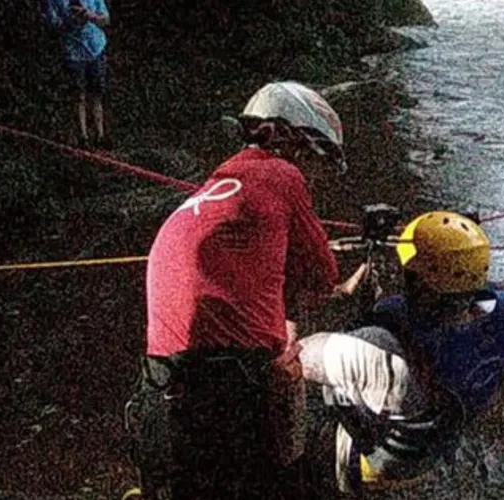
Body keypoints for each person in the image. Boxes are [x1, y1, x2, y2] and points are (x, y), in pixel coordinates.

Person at [124, 81, 365, 500]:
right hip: (228, 384)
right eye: (314, 159)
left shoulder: (216, 185)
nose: (313, 174)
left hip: (159, 383)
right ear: (289, 140)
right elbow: (322, 275)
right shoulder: (282, 175)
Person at [298, 211, 504, 496]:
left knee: (318, 397)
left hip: (380, 465)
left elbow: (298, 357)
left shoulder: (379, 346)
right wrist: (456, 245)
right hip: (437, 447)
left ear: (417, 283)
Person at [42, 0, 111, 147]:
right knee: (78, 94)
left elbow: (105, 19)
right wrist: (70, 20)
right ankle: (83, 136)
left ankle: (100, 135)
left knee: (97, 92)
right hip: (72, 52)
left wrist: (90, 16)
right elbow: (52, 25)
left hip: (95, 47)